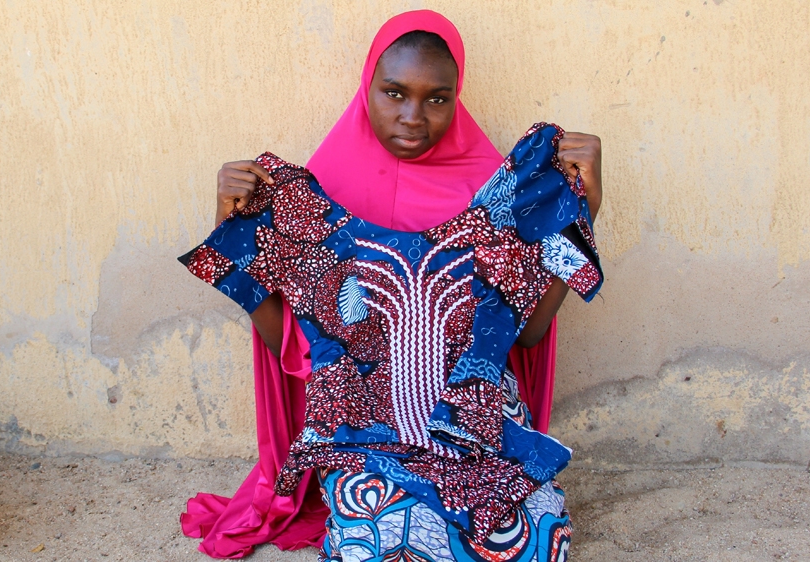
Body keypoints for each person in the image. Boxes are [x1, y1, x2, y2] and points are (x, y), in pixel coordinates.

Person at [181, 10, 602, 561]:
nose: (413, 117)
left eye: (437, 98)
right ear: (367, 89)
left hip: (476, 419)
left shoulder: (494, 192)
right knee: (381, 542)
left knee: (537, 545)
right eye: (394, 92)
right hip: (365, 426)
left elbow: (527, 335)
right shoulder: (319, 198)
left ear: (457, 98)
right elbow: (294, 338)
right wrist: (232, 226)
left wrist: (583, 211)